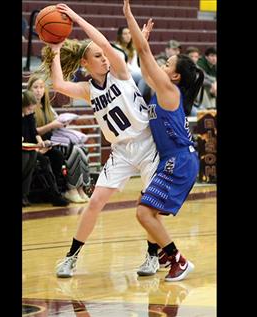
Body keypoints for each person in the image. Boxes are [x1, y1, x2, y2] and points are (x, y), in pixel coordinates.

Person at [38, 3, 159, 278]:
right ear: (85, 63)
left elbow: (103, 41)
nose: (104, 58)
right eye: (97, 56)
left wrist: (76, 17)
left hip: (147, 142)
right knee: (94, 203)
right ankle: (71, 257)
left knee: (148, 204)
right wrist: (56, 52)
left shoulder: (119, 72)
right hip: (121, 150)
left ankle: (152, 257)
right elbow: (58, 85)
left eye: (105, 55)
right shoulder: (88, 90)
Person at [124, 0, 205, 282]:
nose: (162, 63)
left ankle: (177, 259)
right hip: (175, 159)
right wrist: (140, 43)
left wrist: (129, 17)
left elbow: (146, 55)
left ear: (175, 75)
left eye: (167, 63)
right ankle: (163, 254)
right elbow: (145, 67)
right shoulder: (162, 87)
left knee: (144, 212)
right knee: (146, 208)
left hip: (180, 160)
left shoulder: (169, 90)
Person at [27, 73, 90, 203]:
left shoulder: (47, 107)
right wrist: (52, 125)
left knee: (82, 148)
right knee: (74, 151)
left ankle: (81, 188)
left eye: (41, 87)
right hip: (37, 143)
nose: (39, 91)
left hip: (52, 141)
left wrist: (62, 123)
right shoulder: (28, 107)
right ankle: (71, 189)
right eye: (35, 87)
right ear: (29, 89)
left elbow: (56, 123)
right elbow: (31, 132)